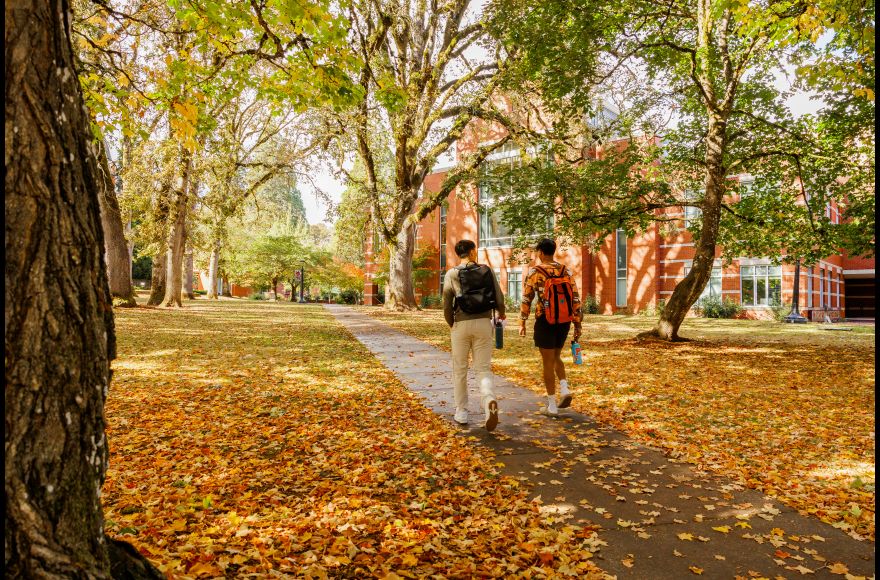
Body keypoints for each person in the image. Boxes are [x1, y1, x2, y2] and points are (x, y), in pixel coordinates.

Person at [442, 239, 506, 431]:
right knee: (483, 368)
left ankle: (461, 411)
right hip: (483, 324)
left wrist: (452, 323)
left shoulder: (452, 274)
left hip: (461, 324)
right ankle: (489, 402)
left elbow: (446, 303)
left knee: (460, 369)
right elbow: (498, 296)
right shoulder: (486, 270)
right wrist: (501, 312)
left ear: (457, 254)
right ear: (471, 252)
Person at [518, 238, 582, 415]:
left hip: (545, 319)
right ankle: (565, 388)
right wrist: (577, 324)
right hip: (564, 320)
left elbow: (526, 298)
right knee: (556, 356)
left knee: (547, 361)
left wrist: (522, 321)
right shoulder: (565, 271)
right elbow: (575, 298)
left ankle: (552, 406)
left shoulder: (535, 272)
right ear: (553, 251)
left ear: (540, 252)